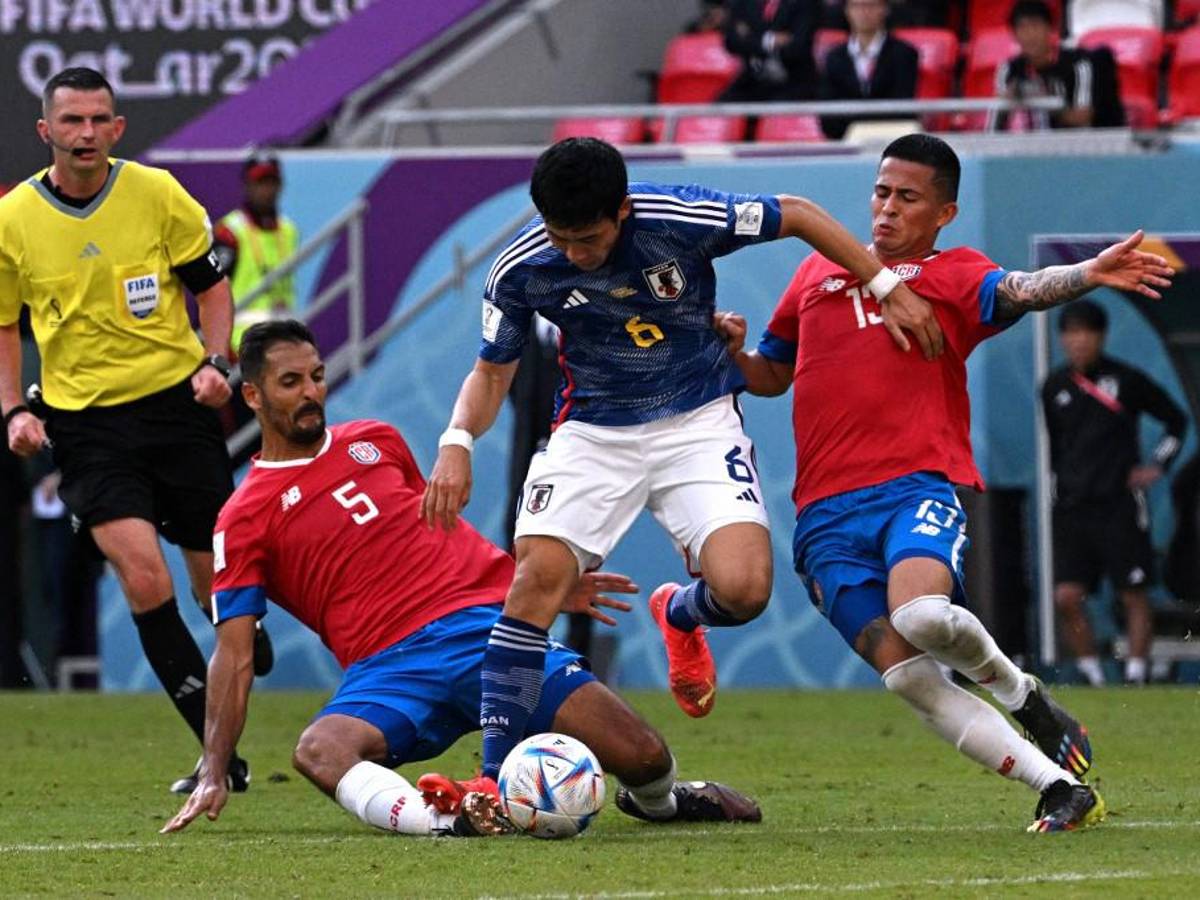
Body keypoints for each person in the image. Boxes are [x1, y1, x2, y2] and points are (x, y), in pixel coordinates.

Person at [418, 136, 943, 797]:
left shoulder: (681, 217)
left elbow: (801, 211)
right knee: (534, 585)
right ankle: (495, 782)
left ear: (623, 211)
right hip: (592, 434)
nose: (574, 254)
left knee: (746, 590)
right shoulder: (521, 268)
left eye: (587, 239)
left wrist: (884, 283)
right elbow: (492, 373)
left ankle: (680, 613)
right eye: (561, 238)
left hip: (697, 422)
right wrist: (456, 441)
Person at [161, 320, 763, 838]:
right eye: (291, 383)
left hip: (488, 633)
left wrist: (536, 588)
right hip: (388, 668)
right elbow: (234, 656)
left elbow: (439, 539)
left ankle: (664, 802)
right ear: (253, 396)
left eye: (316, 376)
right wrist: (215, 764)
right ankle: (454, 821)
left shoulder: (377, 440)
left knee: (645, 756)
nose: (312, 393)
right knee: (318, 751)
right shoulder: (241, 517)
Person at [732, 133, 1173, 831]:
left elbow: (1022, 290)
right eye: (881, 192)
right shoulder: (815, 272)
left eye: (907, 198)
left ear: (943, 213)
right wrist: (735, 354)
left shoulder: (954, 273)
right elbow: (771, 372)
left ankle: (1022, 693)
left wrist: (1087, 271)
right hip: (822, 517)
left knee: (923, 617)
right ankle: (1059, 788)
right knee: (908, 675)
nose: (886, 210)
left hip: (914, 487)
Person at [0, 66, 260, 791]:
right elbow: (4, 326)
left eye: (99, 121)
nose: (86, 134)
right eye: (72, 121)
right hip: (84, 424)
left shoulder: (157, 193)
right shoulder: (13, 219)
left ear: (117, 129)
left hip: (176, 410)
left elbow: (210, 287)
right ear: (45, 131)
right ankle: (221, 762)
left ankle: (244, 632)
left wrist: (216, 364)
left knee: (221, 597)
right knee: (145, 581)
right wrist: (14, 410)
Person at [1042, 300, 1187, 686]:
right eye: (1070, 333)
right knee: (1067, 597)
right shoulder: (1053, 387)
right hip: (1073, 508)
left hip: (1120, 505)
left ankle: (1136, 675)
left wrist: (1157, 465)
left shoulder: (1126, 381)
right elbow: (1057, 447)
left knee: (1133, 593)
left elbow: (1176, 420)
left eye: (1086, 333)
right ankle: (1093, 676)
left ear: (1100, 337)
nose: (1078, 342)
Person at [989, 0, 1125, 132]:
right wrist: (1006, 104)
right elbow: (993, 129)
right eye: (1022, 27)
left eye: (1035, 26)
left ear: (1050, 29)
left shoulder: (1079, 64)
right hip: (1034, 147)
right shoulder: (1008, 69)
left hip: (1084, 147)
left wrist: (1044, 101)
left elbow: (1082, 119)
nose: (1029, 34)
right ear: (1014, 34)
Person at [213, 152, 300, 355]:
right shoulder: (231, 231)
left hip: (283, 342)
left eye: (272, 182)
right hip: (241, 346)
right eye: (260, 182)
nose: (267, 190)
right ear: (247, 185)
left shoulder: (289, 231)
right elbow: (211, 292)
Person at [819, 0, 920, 139]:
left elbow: (902, 109)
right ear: (847, 11)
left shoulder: (904, 53)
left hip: (892, 138)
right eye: (857, 6)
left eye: (871, 5)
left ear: (885, 9)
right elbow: (829, 116)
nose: (864, 12)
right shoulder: (834, 57)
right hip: (845, 141)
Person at [720, 0, 820, 102]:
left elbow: (797, 46)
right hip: (752, 80)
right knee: (718, 110)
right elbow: (732, 42)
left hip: (794, 81)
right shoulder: (742, 3)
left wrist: (751, 37)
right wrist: (770, 40)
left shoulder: (804, 3)